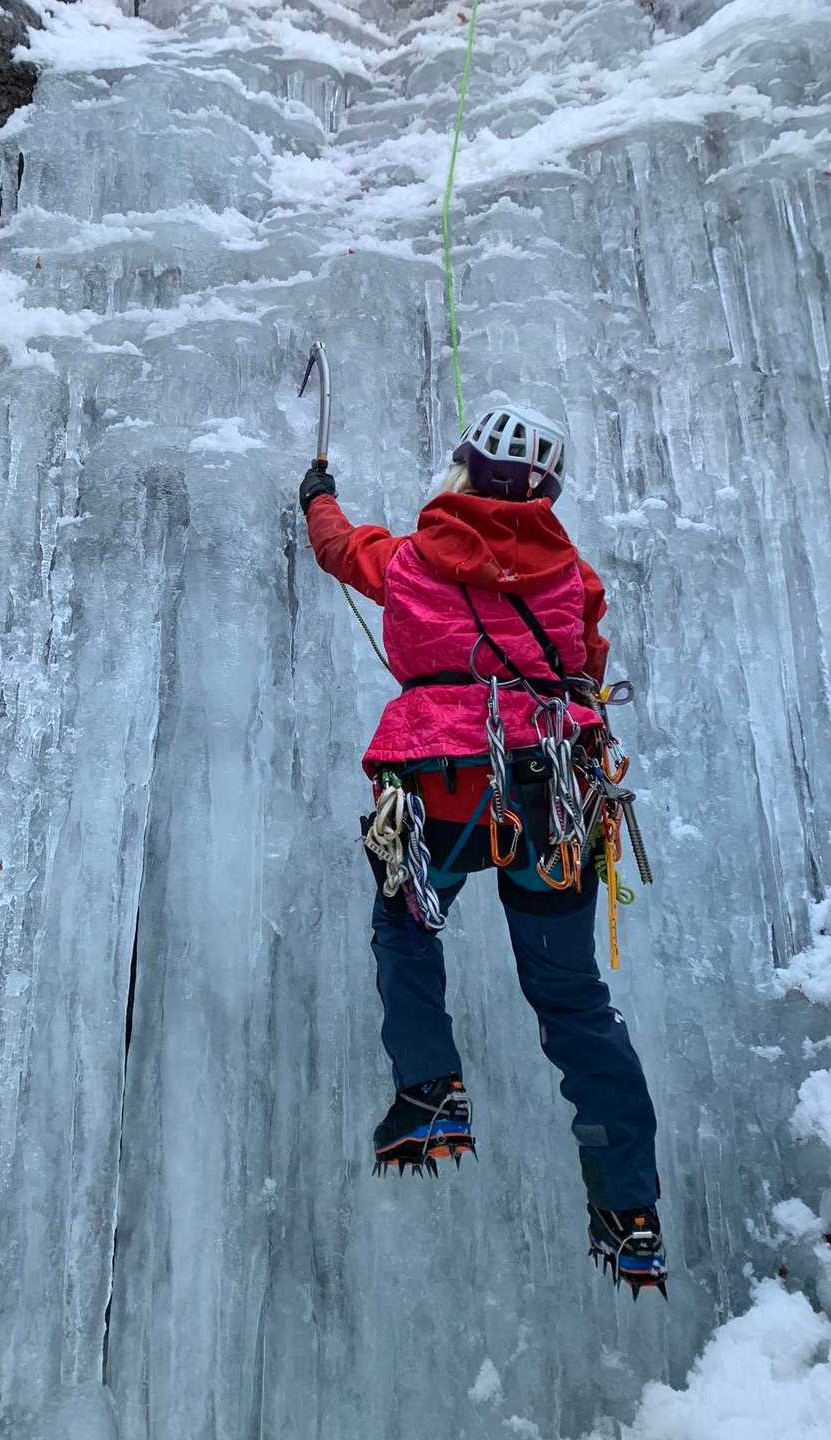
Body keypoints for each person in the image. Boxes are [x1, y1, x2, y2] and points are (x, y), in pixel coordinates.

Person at [299, 404, 666, 1297]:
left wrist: (317, 495)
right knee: (573, 1001)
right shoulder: (572, 577)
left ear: (463, 471)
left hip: (443, 791)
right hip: (551, 800)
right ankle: (630, 1215)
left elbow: (341, 550)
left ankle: (431, 1091)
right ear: (547, 492)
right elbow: (585, 665)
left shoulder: (412, 560)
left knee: (406, 929)